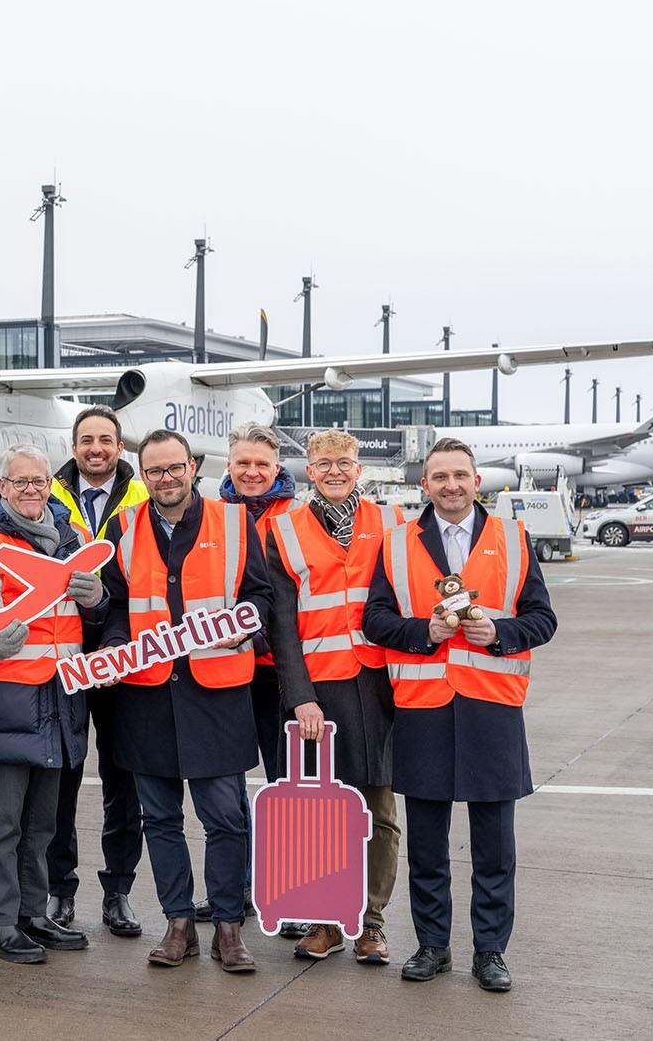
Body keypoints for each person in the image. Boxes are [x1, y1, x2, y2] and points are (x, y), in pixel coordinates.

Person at [363, 438, 556, 994]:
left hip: (492, 709)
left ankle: (491, 951)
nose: (450, 485)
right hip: (423, 710)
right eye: (439, 476)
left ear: (478, 482)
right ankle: (433, 946)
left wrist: (499, 633)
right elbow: (375, 620)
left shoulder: (513, 540)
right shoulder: (397, 544)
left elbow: (543, 620)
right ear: (424, 485)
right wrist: (423, 633)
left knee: (495, 846)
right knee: (426, 844)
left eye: (460, 476)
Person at [96, 428, 276, 974]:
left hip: (216, 696)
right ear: (142, 474)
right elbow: (116, 606)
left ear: (193, 466)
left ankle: (227, 927)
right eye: (154, 471)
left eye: (175, 468)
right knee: (160, 819)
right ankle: (178, 923)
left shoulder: (235, 522)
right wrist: (111, 645)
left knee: (224, 818)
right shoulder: (122, 527)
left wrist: (245, 630)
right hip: (148, 696)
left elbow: (261, 596)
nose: (166, 478)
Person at [0, 444, 107, 964]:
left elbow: (95, 623)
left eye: (40, 481)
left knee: (43, 823)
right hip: (7, 700)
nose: (32, 490)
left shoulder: (75, 541)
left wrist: (97, 601)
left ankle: (33, 914)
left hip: (61, 700)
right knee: (4, 824)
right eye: (21, 482)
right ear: (3, 486)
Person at [263, 429, 405, 965]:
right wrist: (299, 696)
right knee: (321, 812)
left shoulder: (392, 523)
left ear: (359, 467)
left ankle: (372, 923)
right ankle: (325, 921)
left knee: (380, 810)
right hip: (318, 692)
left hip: (380, 685)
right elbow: (280, 621)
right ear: (308, 470)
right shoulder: (283, 530)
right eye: (323, 464)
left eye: (343, 462)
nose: (334, 472)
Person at [45, 405, 149, 937]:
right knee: (60, 777)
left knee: (121, 777)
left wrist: (119, 642)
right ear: (74, 445)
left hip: (122, 655)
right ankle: (60, 890)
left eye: (105, 440)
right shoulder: (49, 493)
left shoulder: (142, 499)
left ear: (119, 446)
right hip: (61, 655)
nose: (95, 449)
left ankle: (119, 890)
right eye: (86, 440)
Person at [209, 422, 298, 928]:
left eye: (262, 463)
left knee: (282, 787)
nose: (252, 471)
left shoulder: (297, 518)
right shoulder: (213, 516)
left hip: (275, 675)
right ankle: (234, 889)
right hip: (225, 669)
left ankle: (284, 894)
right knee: (227, 791)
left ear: (277, 467)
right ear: (229, 464)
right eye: (243, 462)